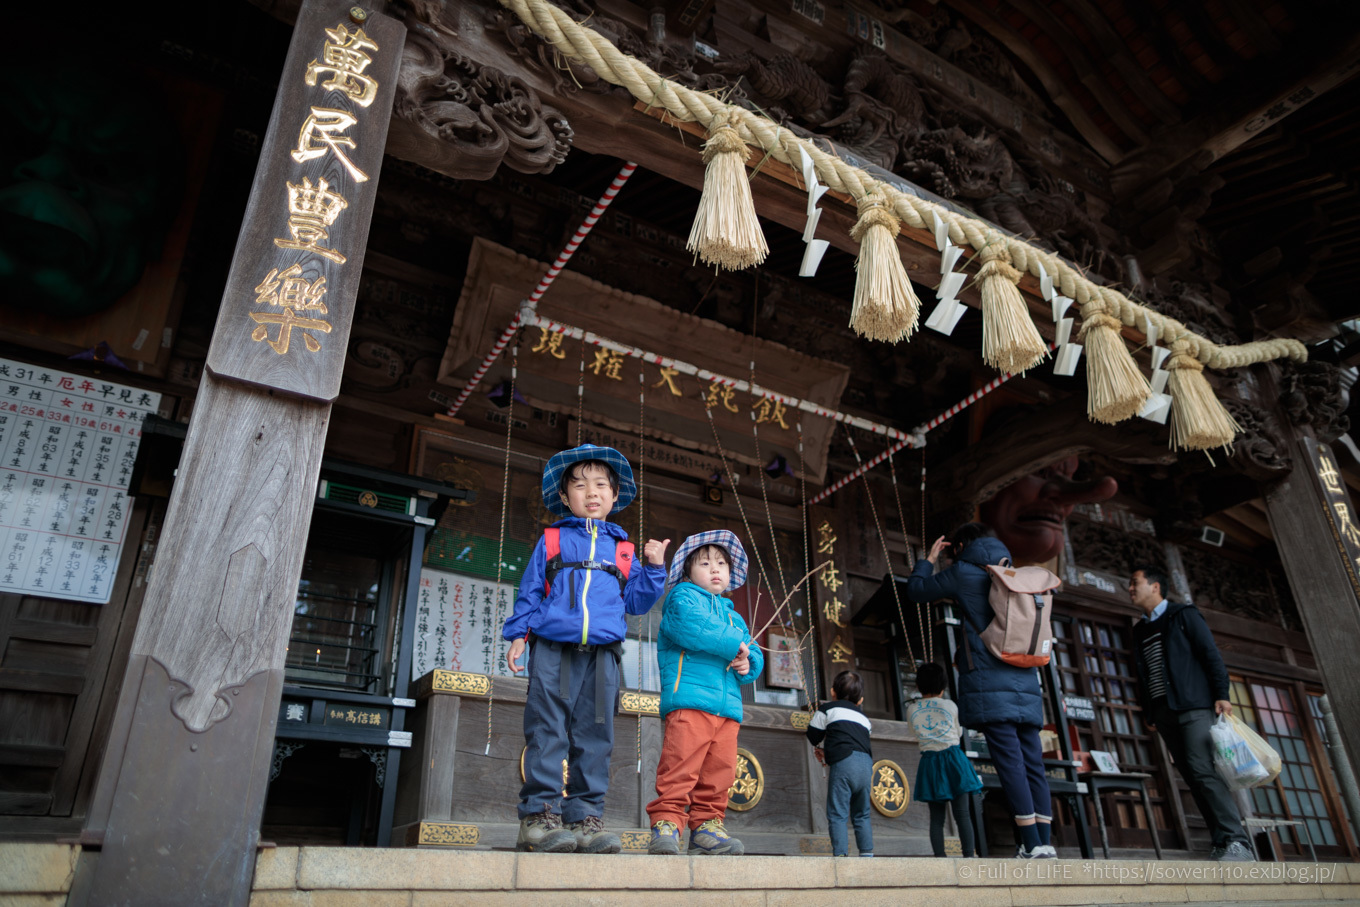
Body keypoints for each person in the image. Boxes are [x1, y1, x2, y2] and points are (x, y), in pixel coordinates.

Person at [503, 443, 669, 853]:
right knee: (547, 730)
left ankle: (585, 821)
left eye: (600, 485)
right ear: (564, 497)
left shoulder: (625, 551)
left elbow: (636, 604)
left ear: (615, 496)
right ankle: (539, 818)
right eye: (579, 485)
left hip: (603, 656)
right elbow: (530, 591)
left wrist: (654, 570)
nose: (590, 492)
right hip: (553, 649)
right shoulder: (553, 540)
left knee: (596, 737)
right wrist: (518, 635)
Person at [907, 522, 1056, 859]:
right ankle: (1044, 842)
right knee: (1034, 763)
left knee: (1011, 765)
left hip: (990, 682)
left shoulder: (962, 571)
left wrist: (929, 559)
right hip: (1026, 677)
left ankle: (1031, 844)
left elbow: (916, 591)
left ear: (959, 547)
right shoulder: (1015, 574)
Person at [648, 530, 763, 855]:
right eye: (705, 563)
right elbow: (694, 627)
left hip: (726, 710)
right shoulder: (681, 599)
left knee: (719, 773)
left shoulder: (733, 615)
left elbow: (752, 651)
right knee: (680, 767)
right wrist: (734, 645)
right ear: (687, 571)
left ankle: (707, 826)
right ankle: (667, 823)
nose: (716, 569)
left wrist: (748, 660)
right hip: (689, 702)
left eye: (722, 564)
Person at [1128, 564, 1253, 862]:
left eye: (1135, 583)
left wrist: (1222, 694)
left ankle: (1238, 842)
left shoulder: (1183, 615)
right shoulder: (1140, 629)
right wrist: (1150, 713)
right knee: (1192, 776)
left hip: (1194, 706)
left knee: (1203, 770)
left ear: (1155, 586)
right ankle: (1222, 842)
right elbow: (1143, 674)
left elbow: (1211, 655)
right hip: (1164, 712)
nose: (1130, 588)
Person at [907, 662, 983, 858]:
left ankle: (940, 858)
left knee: (936, 818)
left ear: (919, 686)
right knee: (963, 814)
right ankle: (968, 857)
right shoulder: (950, 705)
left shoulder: (912, 709)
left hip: (930, 761)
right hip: (953, 759)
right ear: (943, 686)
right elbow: (958, 732)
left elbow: (914, 733)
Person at [806, 670, 875, 858]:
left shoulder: (828, 709)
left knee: (838, 813)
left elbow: (813, 734)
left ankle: (841, 856)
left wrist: (821, 747)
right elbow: (853, 739)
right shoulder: (864, 719)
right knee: (862, 814)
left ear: (832, 692)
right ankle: (867, 855)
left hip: (844, 765)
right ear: (860, 699)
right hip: (866, 765)